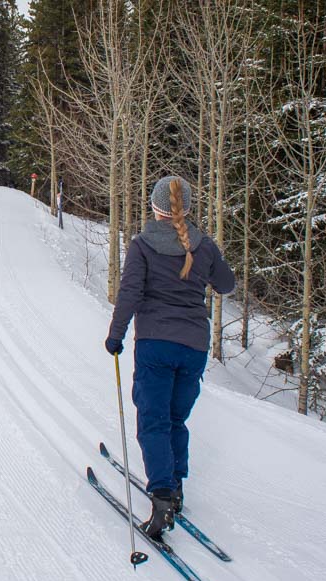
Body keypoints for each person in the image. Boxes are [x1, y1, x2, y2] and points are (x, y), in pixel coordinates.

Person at [104, 175, 236, 540]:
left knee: (154, 420)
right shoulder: (202, 245)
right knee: (176, 419)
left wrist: (115, 336)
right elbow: (226, 284)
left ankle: (162, 496)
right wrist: (207, 256)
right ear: (187, 208)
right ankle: (175, 487)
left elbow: (129, 294)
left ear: (154, 207)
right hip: (193, 346)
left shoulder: (143, 245)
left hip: (156, 345)